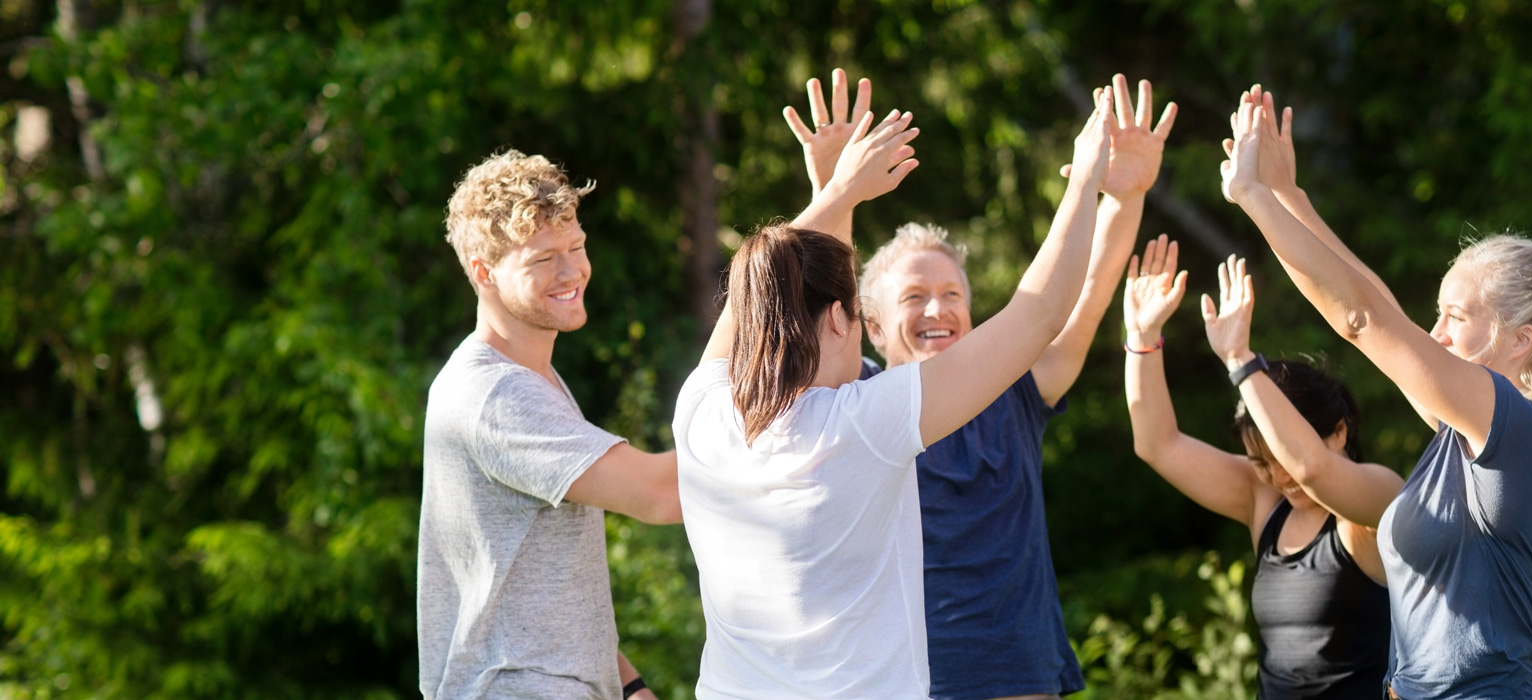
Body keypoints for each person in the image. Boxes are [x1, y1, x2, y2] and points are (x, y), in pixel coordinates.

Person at [671, 86, 1113, 700]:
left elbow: (758, 294)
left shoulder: (701, 410)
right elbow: (1039, 315)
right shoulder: (860, 425)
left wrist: (836, 193)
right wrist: (1086, 177)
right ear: (838, 319)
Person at [783, 69, 1178, 700]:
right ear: (874, 326)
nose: (937, 310)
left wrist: (1124, 196)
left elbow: (1089, 294)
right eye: (915, 297)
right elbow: (808, 313)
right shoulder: (853, 402)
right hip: (897, 680)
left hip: (1017, 672)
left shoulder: (1014, 394)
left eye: (951, 295)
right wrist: (835, 195)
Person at [1219, 88, 1532, 699]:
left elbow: (1362, 319)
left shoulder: (1511, 427)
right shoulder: (1461, 433)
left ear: (1519, 341)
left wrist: (1253, 200)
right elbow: (1376, 306)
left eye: (1455, 317)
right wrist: (1287, 195)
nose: (1434, 334)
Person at [419, 150, 679, 700]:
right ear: (483, 272)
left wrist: (628, 687)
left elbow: (534, 592)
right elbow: (662, 494)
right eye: (542, 259)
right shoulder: (496, 395)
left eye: (576, 247)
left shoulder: (532, 378)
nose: (571, 272)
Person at [1122, 240, 1402, 699]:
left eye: (1281, 456)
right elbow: (1157, 444)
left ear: (1338, 432)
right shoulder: (1265, 500)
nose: (1278, 476)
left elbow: (1311, 468)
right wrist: (1141, 338)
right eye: (1261, 463)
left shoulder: (1374, 499)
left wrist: (1240, 360)